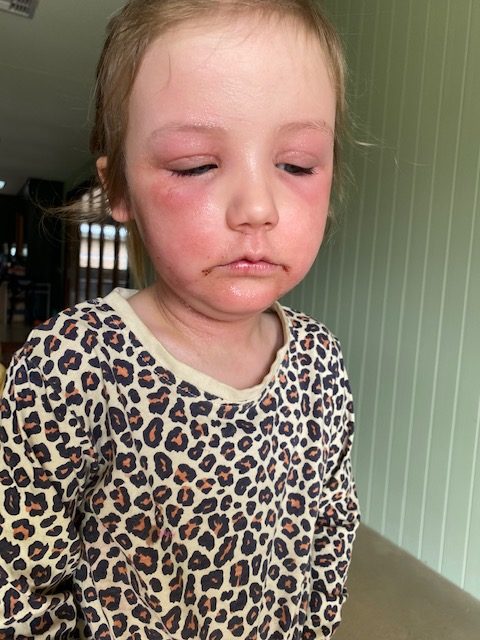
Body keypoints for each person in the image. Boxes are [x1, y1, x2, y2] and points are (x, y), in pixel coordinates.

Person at [0, 1, 360, 638]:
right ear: (118, 190)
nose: (257, 207)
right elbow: (20, 577)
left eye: (297, 164)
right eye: (196, 164)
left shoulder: (320, 363)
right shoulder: (75, 363)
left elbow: (330, 529)